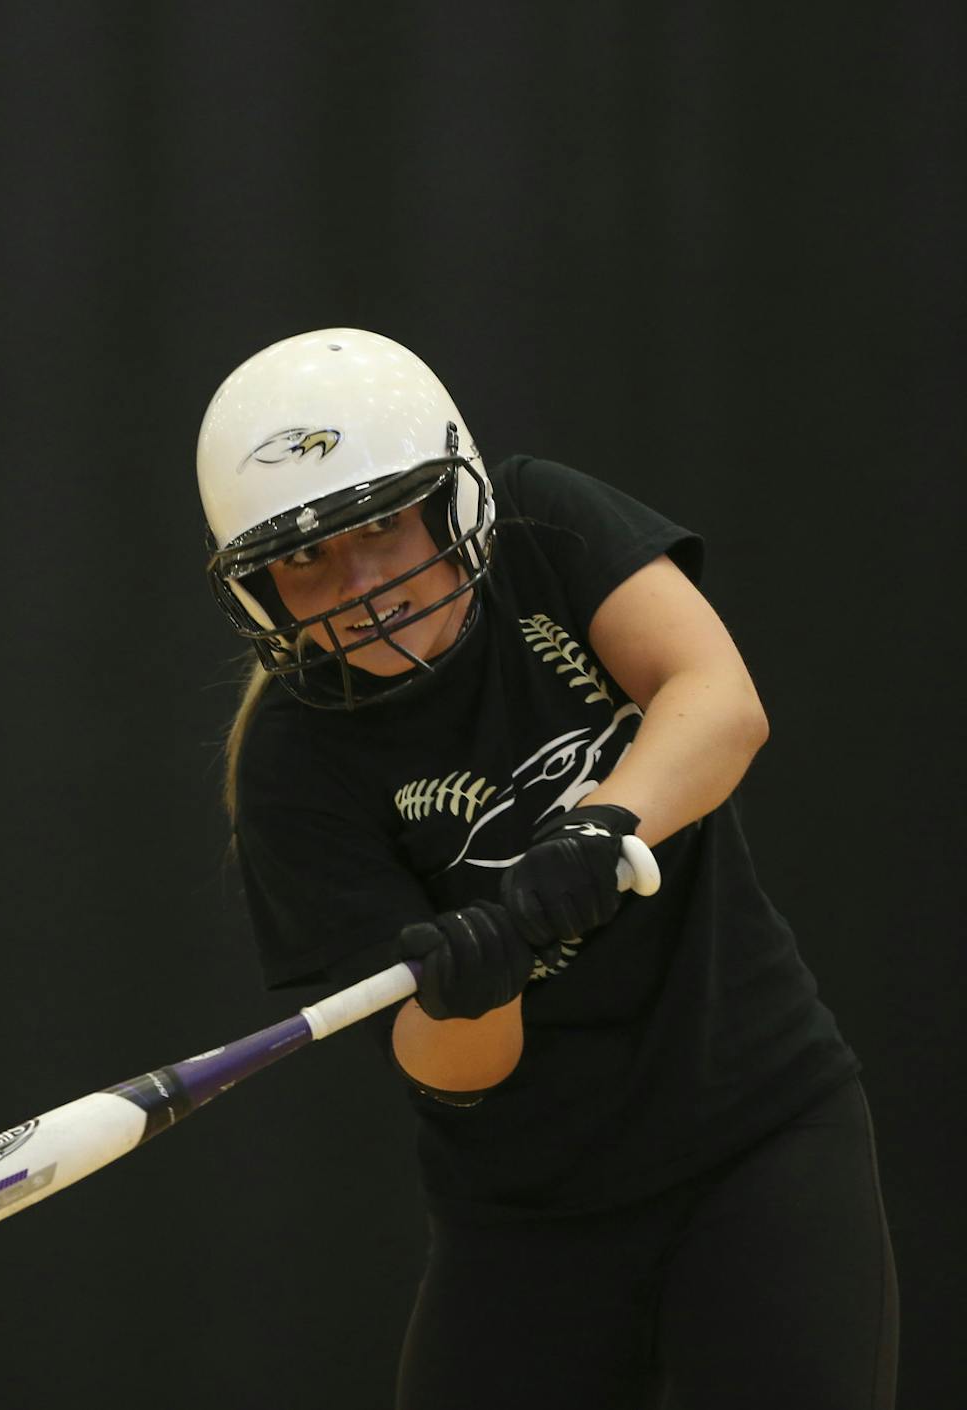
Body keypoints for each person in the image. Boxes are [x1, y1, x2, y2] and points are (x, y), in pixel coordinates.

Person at [197, 328, 897, 1408]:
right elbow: (450, 1065)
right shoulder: (291, 762)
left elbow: (719, 702)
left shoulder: (543, 524)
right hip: (526, 1217)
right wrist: (480, 986)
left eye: (384, 524)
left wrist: (600, 830)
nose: (365, 586)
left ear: (453, 497)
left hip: (759, 1131)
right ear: (259, 588)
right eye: (306, 558)